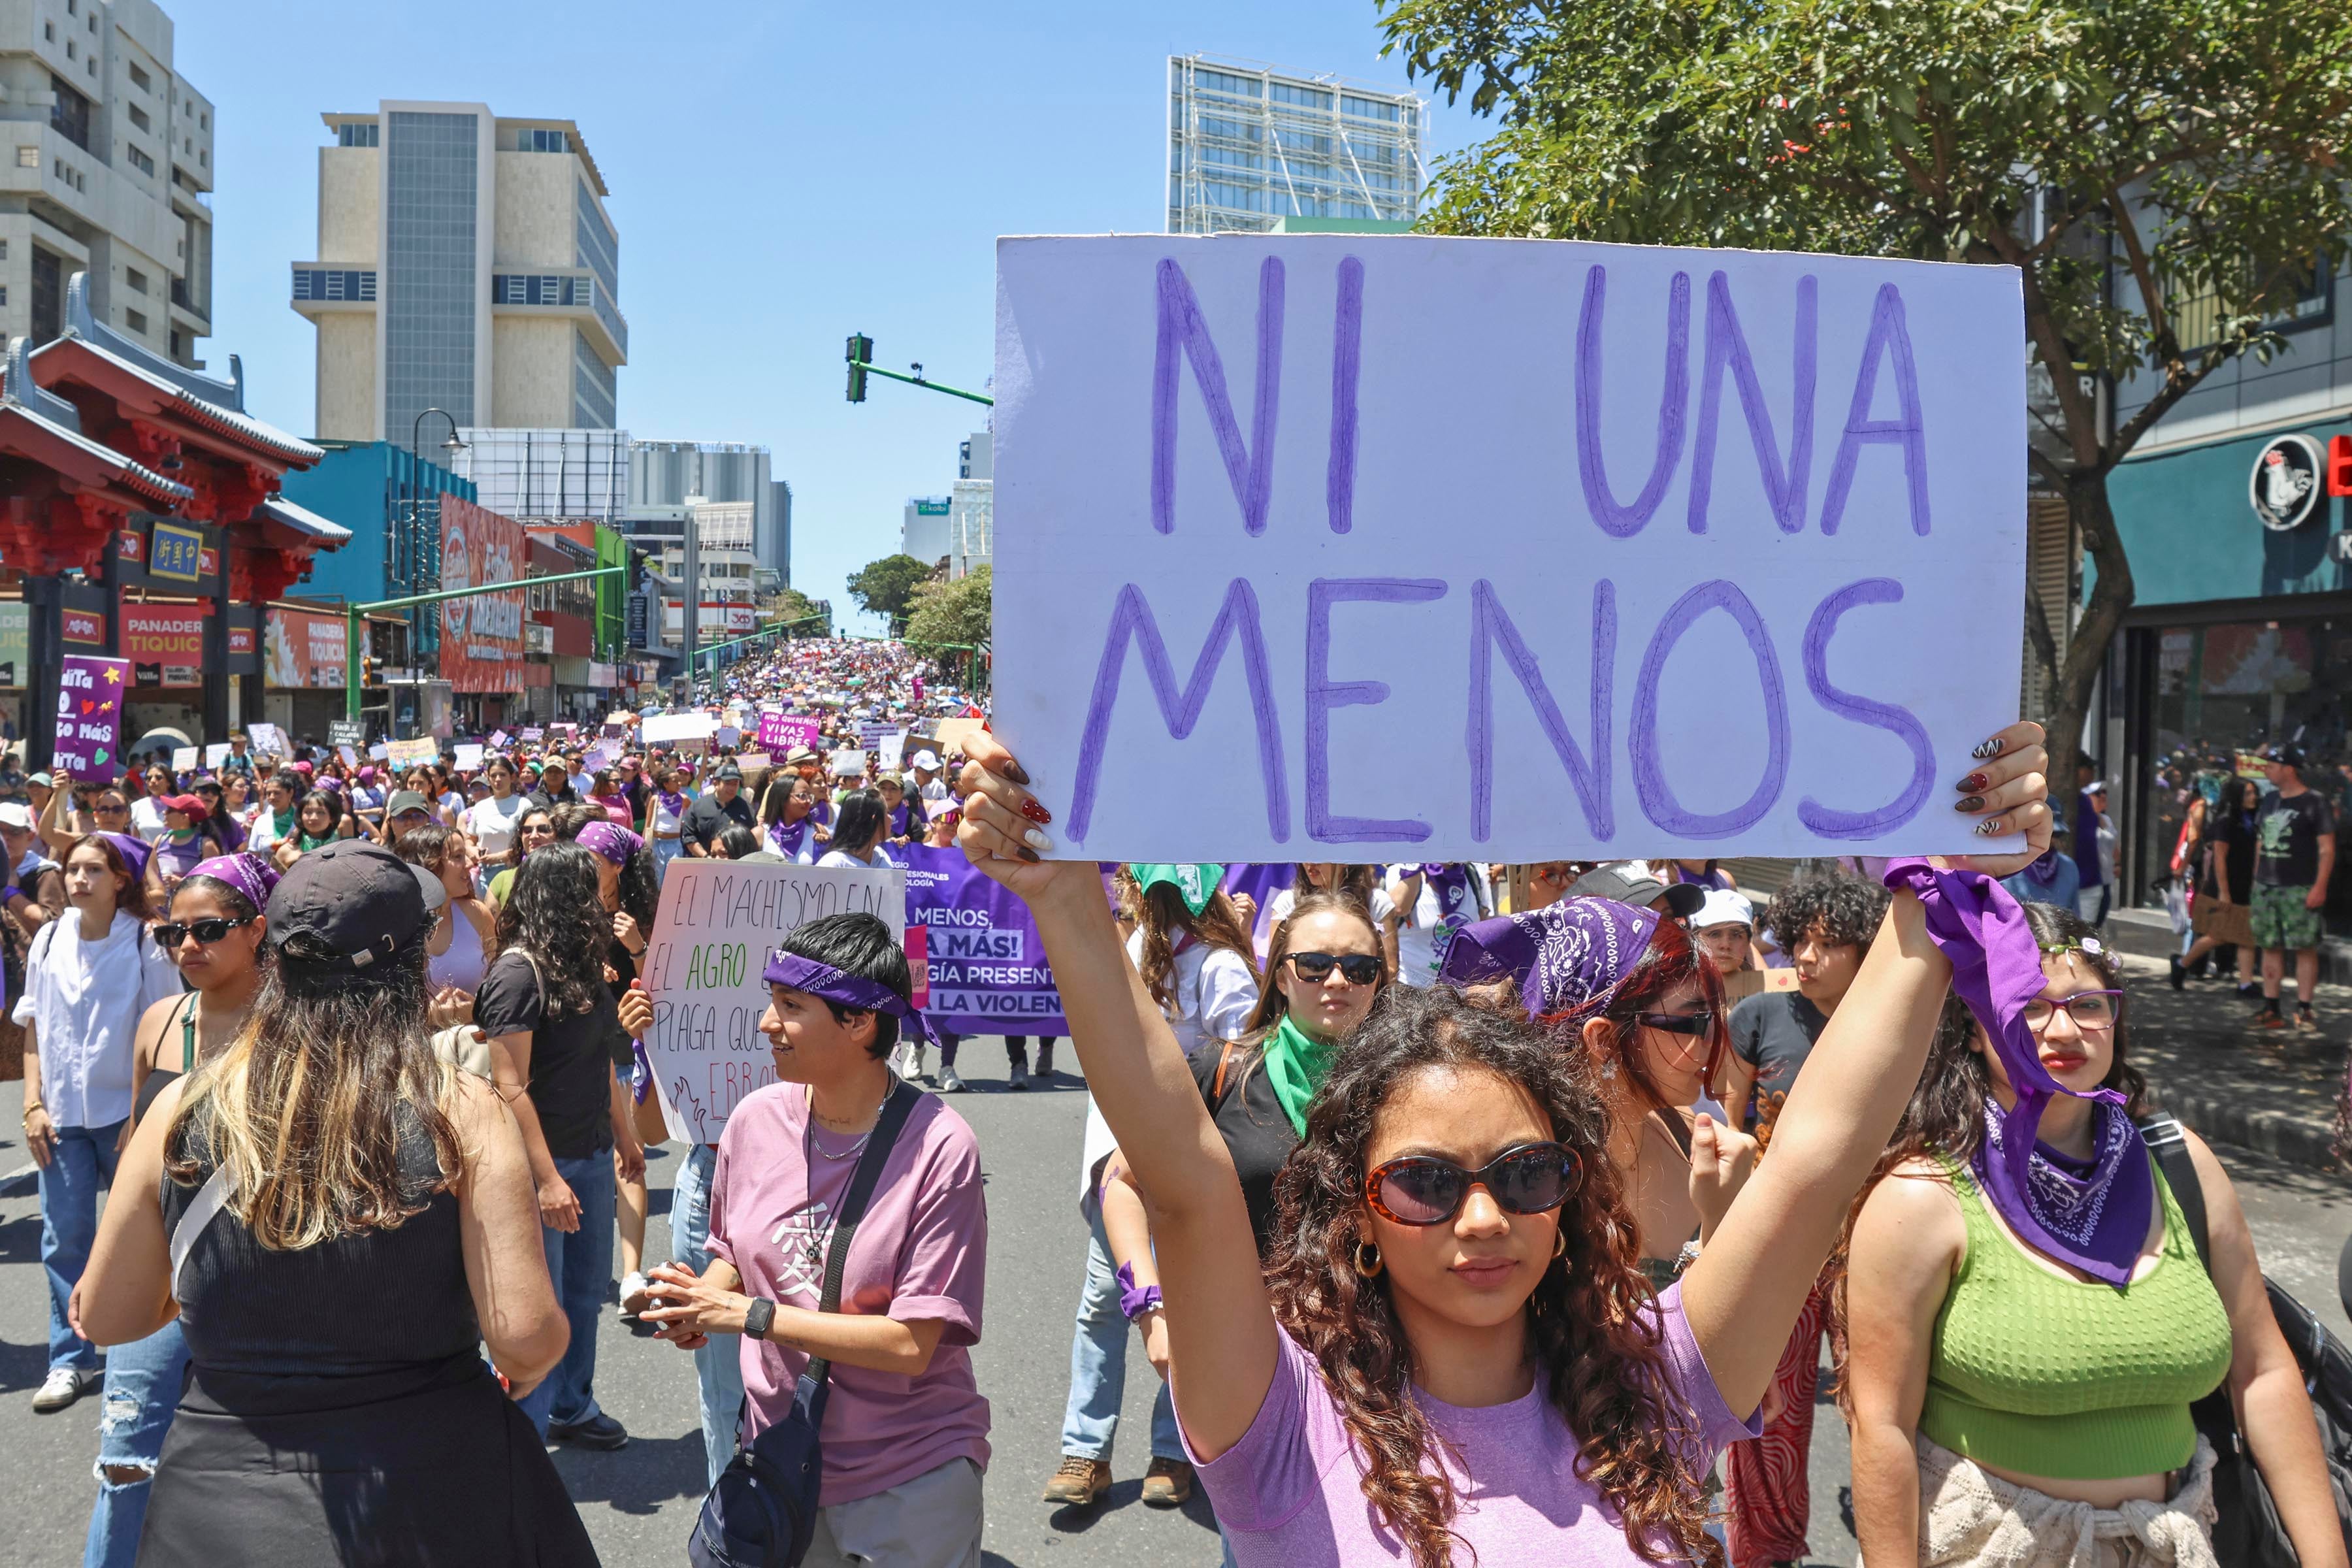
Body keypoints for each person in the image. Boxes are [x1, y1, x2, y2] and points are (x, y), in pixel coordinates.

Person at [954, 722, 2054, 1567]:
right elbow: (1186, 1182)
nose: (1484, 1220)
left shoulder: (1658, 1387)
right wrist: (1064, 902)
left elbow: (1818, 1149)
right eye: (1426, 1184)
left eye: (1526, 1174)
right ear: (1359, 1212)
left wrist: (1944, 891)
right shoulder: (1279, 1419)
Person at [72, 840, 596, 1566]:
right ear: (412, 962)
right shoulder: (459, 1107)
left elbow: (105, 1315)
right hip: (433, 1484)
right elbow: (525, 1336)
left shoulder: (185, 1107)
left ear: (274, 954)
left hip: (225, 1499)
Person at [1843, 898, 2349, 1568]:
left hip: (2178, 1540)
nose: (2062, 1031)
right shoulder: (1921, 1197)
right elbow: (1881, 1428)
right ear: (1972, 1027)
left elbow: (2263, 1372)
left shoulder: (2182, 1163)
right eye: (2026, 1005)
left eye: (2088, 1005)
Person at [642, 913, 991, 1566]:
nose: (767, 1023)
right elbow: (732, 1251)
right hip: (780, 1461)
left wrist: (746, 1315)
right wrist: (697, 1303)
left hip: (908, 1477)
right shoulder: (753, 1120)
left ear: (858, 1023)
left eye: (790, 1006)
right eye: (771, 1003)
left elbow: (911, 1345)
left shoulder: (941, 1148)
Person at [1064, 894, 1388, 1511]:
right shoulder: (1225, 1070)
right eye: (1316, 965)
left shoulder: (1410, 1085)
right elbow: (1122, 1181)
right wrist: (1148, 1304)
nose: (1338, 981)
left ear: (1380, 980)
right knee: (1264, 1535)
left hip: (1380, 1363)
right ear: (1281, 974)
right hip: (1255, 1363)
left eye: (1359, 967)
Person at [84, 855, 274, 1568]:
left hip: (259, 1286)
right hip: (161, 1272)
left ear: (257, 930)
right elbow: (135, 1150)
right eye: (173, 934)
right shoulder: (162, 1022)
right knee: (126, 1460)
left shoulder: (296, 1030)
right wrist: (108, 1259)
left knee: (251, 1476)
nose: (186, 947)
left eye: (209, 930)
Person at [474, 842, 645, 1448]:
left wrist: (623, 1135)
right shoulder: (518, 973)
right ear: (561, 896)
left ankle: (573, 1406)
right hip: (535, 1170)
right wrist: (547, 1179)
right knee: (536, 1310)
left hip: (594, 1153)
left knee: (582, 1292)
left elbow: (599, 1057)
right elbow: (509, 1085)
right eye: (590, 889)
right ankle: (522, 1436)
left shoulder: (578, 964)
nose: (602, 901)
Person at [16, 834, 182, 1414]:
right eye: (72, 868)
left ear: (120, 881)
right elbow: (35, 1026)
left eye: (93, 869)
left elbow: (162, 1035)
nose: (79, 878)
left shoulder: (145, 945)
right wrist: (33, 1104)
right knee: (64, 1239)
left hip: (124, 1119)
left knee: (149, 1237)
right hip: (60, 1118)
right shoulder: (49, 940)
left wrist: (141, 1117)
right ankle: (71, 1360)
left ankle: (155, 1352)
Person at [2249, 742, 2336, 1032]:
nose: (2267, 771)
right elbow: (2260, 842)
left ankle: (2305, 1009)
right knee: (2269, 946)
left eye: (2272, 766)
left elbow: (2327, 849)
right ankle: (2271, 1007)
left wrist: (2319, 886)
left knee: (2303, 948)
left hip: (2300, 887)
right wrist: (2256, 880)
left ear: (2288, 769)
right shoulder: (2270, 799)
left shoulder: (2314, 802)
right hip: (2267, 887)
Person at [396, 825, 495, 1025]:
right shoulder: (395, 927)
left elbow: (501, 992)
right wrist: (426, 1018)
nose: (469, 863)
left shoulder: (477, 914)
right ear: (429, 865)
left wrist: (477, 1011)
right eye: (458, 856)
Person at [2175, 777, 2261, 996]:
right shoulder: (2225, 823)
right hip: (2223, 888)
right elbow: (2219, 858)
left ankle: (2246, 984)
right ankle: (2182, 964)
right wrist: (2224, 892)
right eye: (2248, 793)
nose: (2253, 797)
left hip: (2242, 887)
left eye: (2254, 793)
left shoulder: (2249, 821)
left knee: (2245, 936)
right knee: (2219, 935)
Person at [1267, 863, 1401, 977]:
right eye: (1305, 851)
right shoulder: (1287, 903)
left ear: (1345, 859)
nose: (1311, 862)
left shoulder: (1376, 902)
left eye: (1321, 852)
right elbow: (1275, 968)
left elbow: (1390, 969)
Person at [462, 755, 531, 880]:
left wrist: (499, 857)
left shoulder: (524, 805)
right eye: (493, 776)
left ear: (512, 777)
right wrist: (471, 850)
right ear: (488, 778)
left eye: (502, 775)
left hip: (514, 872)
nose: (498, 779)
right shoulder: (480, 807)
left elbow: (528, 843)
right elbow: (470, 840)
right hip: (483, 875)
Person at [2002, 817, 2083, 911]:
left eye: (2055, 834)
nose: (2049, 839)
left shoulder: (2069, 867)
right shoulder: (2007, 866)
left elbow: (2075, 916)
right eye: (2041, 832)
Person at [817, 789, 900, 872]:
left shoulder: (882, 857)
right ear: (874, 820)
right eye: (887, 813)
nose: (891, 818)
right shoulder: (832, 864)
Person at [1690, 888, 1759, 981]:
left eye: (1736, 935)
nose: (1725, 945)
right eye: (1714, 934)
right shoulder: (1673, 989)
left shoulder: (1765, 991)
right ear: (1694, 939)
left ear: (1748, 943)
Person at [644, 764, 691, 881]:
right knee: (657, 880)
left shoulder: (684, 799)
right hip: (657, 844)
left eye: (679, 781)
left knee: (673, 879)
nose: (679, 784)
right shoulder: (656, 799)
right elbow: (648, 824)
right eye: (675, 781)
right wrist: (644, 845)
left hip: (675, 844)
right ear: (665, 784)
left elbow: (692, 815)